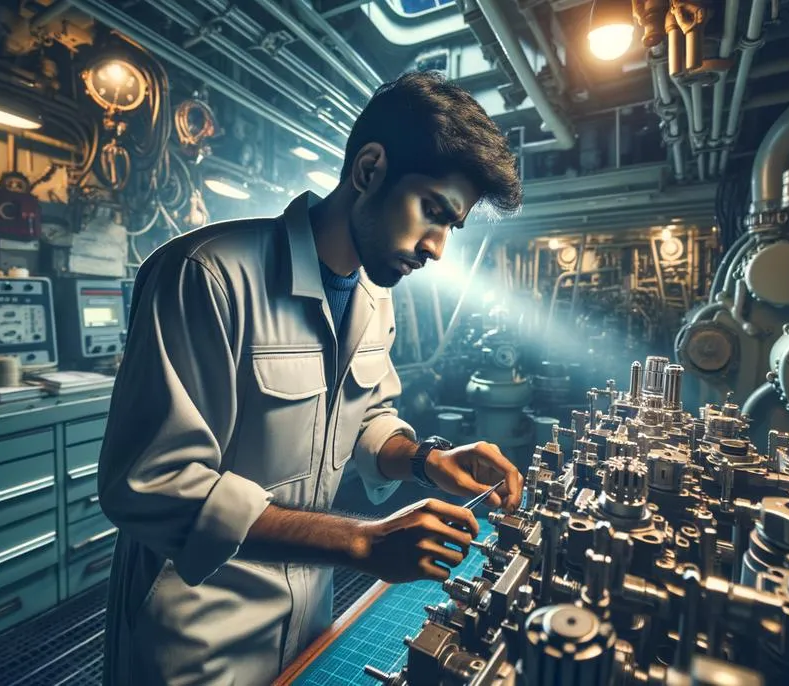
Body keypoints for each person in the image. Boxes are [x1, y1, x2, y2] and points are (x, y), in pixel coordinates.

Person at [97, 71, 526, 685]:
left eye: (449, 226)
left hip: (308, 617)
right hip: (197, 635)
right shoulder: (207, 275)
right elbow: (152, 484)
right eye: (432, 211)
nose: (436, 248)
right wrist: (362, 543)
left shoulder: (375, 297)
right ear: (370, 169)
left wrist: (427, 460)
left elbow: (364, 420)